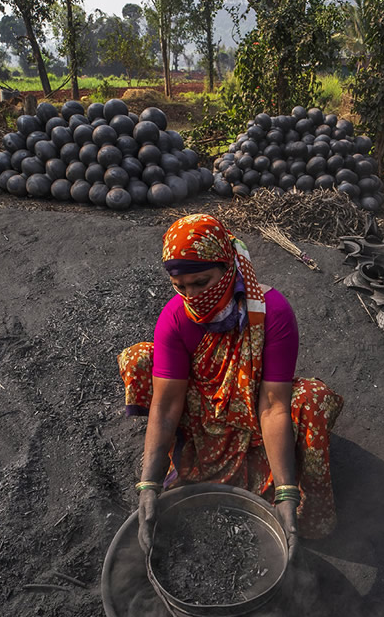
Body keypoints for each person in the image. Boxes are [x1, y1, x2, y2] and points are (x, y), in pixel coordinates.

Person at [118, 213, 343, 558]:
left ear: (228, 268)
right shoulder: (176, 318)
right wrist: (148, 484)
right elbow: (165, 407)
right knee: (139, 359)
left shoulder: (271, 312)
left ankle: (295, 511)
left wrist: (286, 492)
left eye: (202, 282)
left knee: (313, 399)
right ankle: (181, 463)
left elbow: (274, 406)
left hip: (254, 414)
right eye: (181, 286)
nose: (192, 296)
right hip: (202, 413)